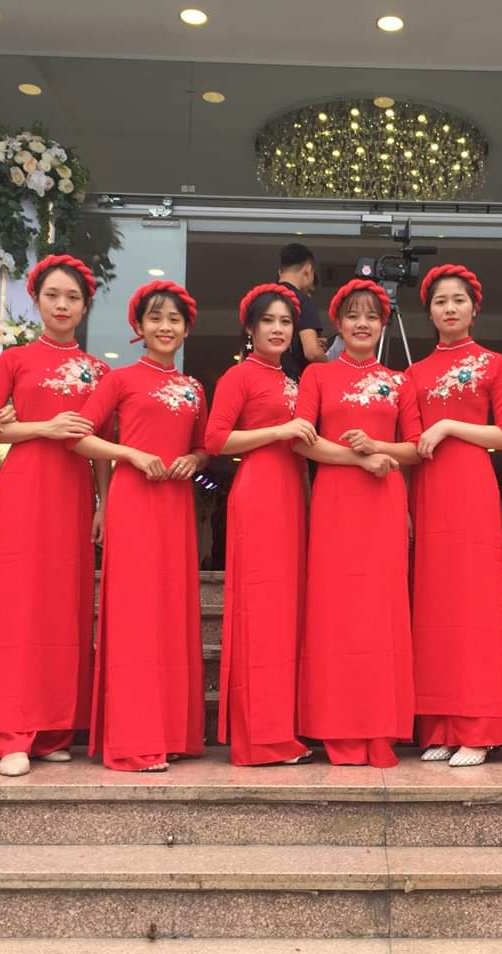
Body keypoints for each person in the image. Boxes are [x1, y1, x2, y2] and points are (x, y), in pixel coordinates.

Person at [0, 255, 110, 777]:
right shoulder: (14, 360)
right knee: (17, 604)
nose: (62, 305)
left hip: (74, 492)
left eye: (72, 297)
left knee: (65, 605)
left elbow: (102, 445)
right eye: (53, 295)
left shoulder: (99, 370)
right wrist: (43, 428)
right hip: (25, 488)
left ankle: (54, 728)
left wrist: (104, 503)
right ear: (35, 300)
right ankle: (12, 733)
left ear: (85, 306)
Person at [70, 280, 208, 772]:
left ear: (186, 329)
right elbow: (79, 437)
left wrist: (194, 459)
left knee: (172, 612)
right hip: (133, 503)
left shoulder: (194, 389)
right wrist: (129, 454)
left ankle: (171, 733)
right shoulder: (119, 380)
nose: (165, 327)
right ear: (139, 326)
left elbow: (205, 446)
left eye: (174, 319)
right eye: (155, 318)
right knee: (134, 616)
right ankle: (133, 740)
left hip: (175, 504)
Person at [293, 278, 421, 767]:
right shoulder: (317, 376)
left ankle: (380, 728)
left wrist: (378, 449)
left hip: (384, 502)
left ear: (383, 323)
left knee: (381, 613)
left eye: (371, 316)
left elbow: (416, 448)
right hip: (336, 503)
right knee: (336, 611)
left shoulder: (400, 381)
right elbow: (301, 441)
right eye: (352, 315)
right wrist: (359, 458)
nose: (362, 324)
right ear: (338, 324)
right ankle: (337, 728)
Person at [407, 264, 502, 768]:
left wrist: (450, 424)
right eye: (440, 301)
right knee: (435, 608)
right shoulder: (415, 373)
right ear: (429, 313)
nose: (450, 308)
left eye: (458, 300)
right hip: (429, 490)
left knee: (474, 606)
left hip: (472, 487)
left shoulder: (495, 364)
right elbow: (411, 441)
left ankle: (479, 728)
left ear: (474, 308)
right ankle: (441, 727)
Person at [204, 283, 316, 766]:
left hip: (292, 495)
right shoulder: (239, 376)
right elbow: (215, 439)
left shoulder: (294, 381)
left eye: (286, 322)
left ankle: (282, 730)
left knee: (286, 615)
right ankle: (259, 740)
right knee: (261, 614)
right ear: (250, 328)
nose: (277, 329)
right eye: (268, 320)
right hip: (259, 494)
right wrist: (278, 431)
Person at [277, 242, 327, 381]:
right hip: (290, 383)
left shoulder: (262, 299)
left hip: (259, 378)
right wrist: (332, 369)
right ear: (308, 270)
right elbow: (312, 352)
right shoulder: (302, 301)